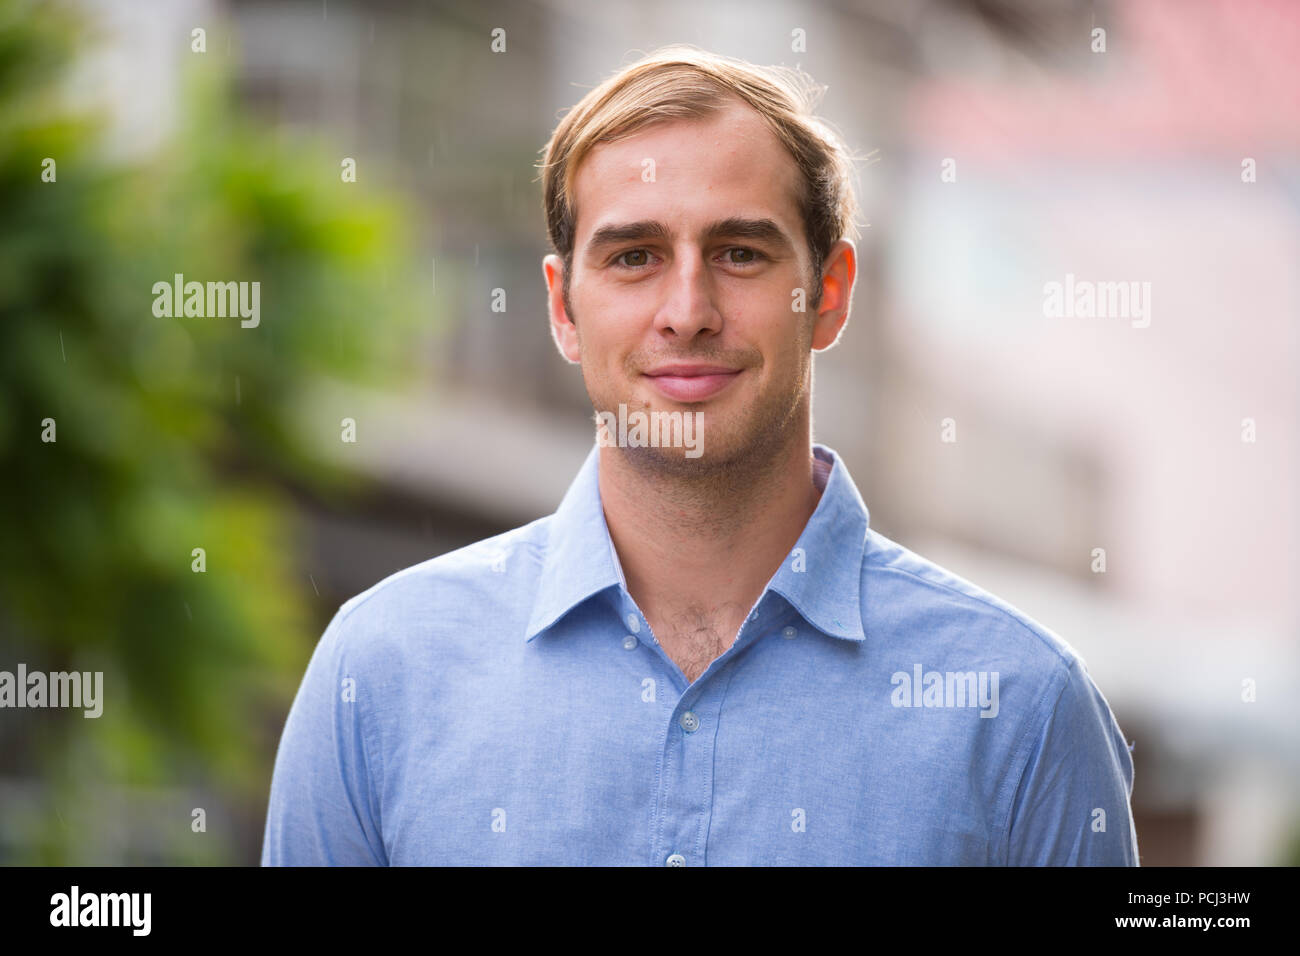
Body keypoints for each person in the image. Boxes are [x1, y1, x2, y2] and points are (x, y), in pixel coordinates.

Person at [261, 45, 1139, 866]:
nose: (687, 309)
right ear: (563, 308)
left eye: (740, 253)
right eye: (634, 256)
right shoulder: (379, 674)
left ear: (828, 295)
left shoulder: (1021, 707)